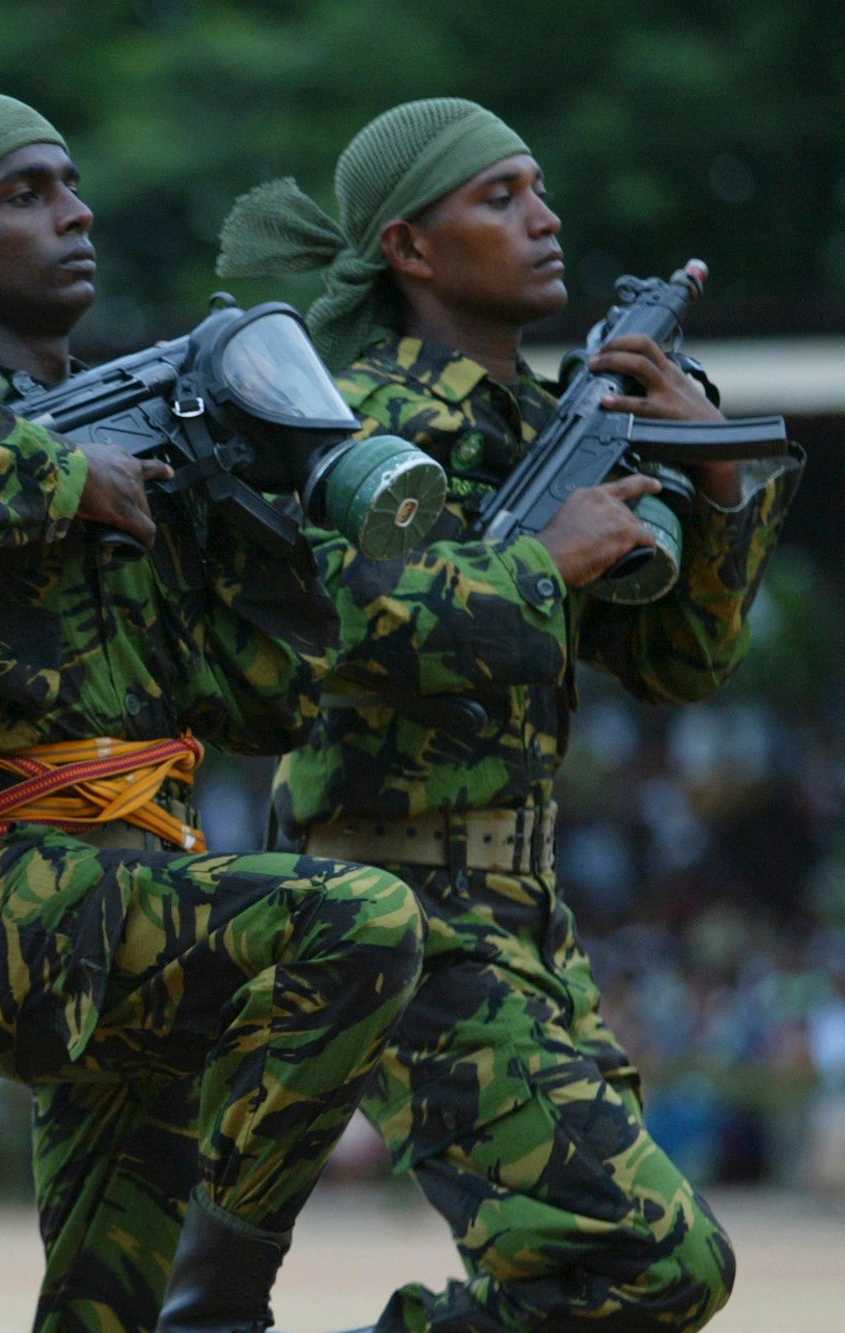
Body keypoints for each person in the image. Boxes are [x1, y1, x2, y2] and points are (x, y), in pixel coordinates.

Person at [0, 91, 424, 1333]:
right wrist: (70, 473)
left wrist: (256, 509)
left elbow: (255, 698)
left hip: (134, 897)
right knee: (360, 920)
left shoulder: (127, 445)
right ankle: (224, 1294)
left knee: (98, 1311)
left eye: (69, 185)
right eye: (21, 193)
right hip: (10, 901)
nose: (72, 213)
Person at [215, 97, 803, 1333]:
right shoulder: (341, 424)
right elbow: (325, 637)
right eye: (497, 197)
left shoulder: (540, 423)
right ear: (406, 249)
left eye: (537, 188)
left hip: (524, 915)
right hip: (393, 915)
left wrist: (719, 481)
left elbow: (675, 666)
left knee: (567, 1281)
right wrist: (540, 560)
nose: (542, 219)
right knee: (654, 1265)